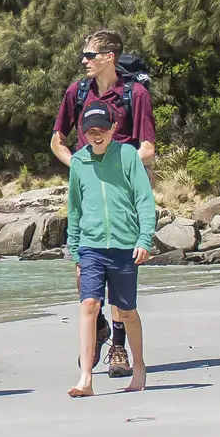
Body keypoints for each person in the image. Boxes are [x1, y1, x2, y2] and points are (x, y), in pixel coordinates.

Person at [52, 32, 156, 379]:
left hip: (124, 190)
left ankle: (118, 349)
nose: (84, 61)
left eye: (90, 55)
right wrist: (81, 165)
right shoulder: (77, 92)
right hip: (89, 189)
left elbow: (148, 146)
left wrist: (119, 164)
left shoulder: (134, 94)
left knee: (120, 287)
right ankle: (97, 328)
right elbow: (57, 140)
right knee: (86, 276)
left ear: (110, 56)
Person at [64, 102, 156, 397]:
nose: (97, 135)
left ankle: (139, 366)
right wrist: (75, 248)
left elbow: (144, 199)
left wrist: (144, 239)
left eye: (102, 129)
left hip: (124, 246)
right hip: (91, 247)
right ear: (84, 133)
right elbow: (74, 207)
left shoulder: (128, 155)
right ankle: (86, 378)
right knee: (89, 305)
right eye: (91, 131)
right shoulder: (79, 162)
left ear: (113, 129)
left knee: (126, 312)